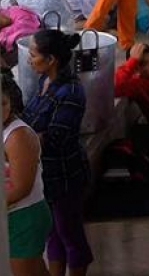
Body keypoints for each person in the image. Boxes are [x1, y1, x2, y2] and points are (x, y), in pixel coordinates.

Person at [21, 29, 93, 275]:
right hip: (46, 177)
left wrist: (19, 142)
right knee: (53, 236)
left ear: (51, 59)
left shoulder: (71, 92)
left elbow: (55, 138)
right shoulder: (45, 82)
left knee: (70, 236)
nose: (29, 59)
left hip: (65, 177)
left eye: (33, 54)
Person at [3, 72, 53, 276]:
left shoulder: (18, 136)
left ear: (12, 103)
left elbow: (21, 188)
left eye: (2, 103)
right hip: (9, 215)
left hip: (24, 217)